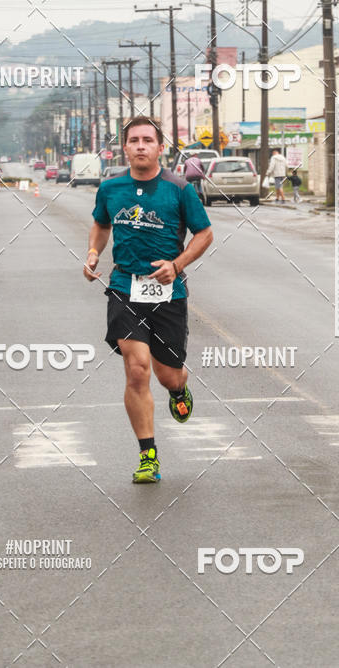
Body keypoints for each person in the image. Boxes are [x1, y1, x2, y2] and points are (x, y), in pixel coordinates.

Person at [84, 116, 213, 484]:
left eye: (148, 140)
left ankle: (180, 388)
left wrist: (177, 263)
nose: (141, 146)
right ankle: (148, 456)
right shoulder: (111, 188)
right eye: (134, 140)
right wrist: (93, 252)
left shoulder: (179, 189)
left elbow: (204, 234)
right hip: (125, 286)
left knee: (167, 374)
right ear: (124, 147)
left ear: (160, 147)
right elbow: (101, 224)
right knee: (136, 367)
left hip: (169, 292)